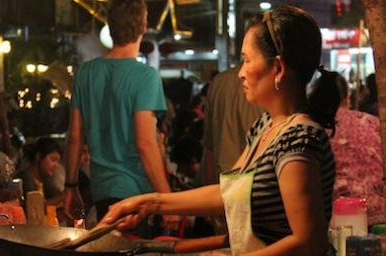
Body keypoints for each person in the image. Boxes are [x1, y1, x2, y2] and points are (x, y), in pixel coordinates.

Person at [100, 6, 346, 256]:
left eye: (247, 60)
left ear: (278, 68)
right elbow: (229, 194)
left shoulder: (300, 139)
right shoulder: (266, 127)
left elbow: (309, 241)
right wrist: (150, 201)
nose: (241, 72)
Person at [64, 0, 178, 236]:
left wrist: (70, 186)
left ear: (110, 27)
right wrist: (168, 201)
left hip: (101, 190)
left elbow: (74, 138)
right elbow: (146, 144)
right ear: (144, 26)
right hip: (134, 192)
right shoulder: (146, 77)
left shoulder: (86, 73)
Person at [331, 74, 385, 224]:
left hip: (334, 223)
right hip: (384, 218)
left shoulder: (310, 128)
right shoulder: (373, 122)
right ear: (347, 97)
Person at [202, 66, 263, 184]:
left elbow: (209, 148)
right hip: (257, 183)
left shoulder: (219, 82)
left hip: (223, 181)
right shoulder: (271, 84)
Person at [15, 137, 63, 205]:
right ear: (38, 156)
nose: (56, 165)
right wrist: (63, 196)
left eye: (58, 162)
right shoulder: (25, 179)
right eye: (53, 159)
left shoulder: (44, 179)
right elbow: (36, 207)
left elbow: (56, 194)